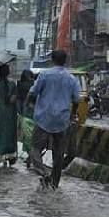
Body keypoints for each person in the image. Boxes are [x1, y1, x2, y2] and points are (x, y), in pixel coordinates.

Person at [28, 50, 80, 189]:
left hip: (43, 118)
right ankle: (54, 184)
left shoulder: (44, 75)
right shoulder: (71, 79)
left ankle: (44, 172)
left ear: (52, 60)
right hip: (62, 121)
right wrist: (73, 115)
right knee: (58, 154)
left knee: (35, 149)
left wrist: (31, 105)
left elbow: (33, 93)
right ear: (65, 61)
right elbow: (76, 100)